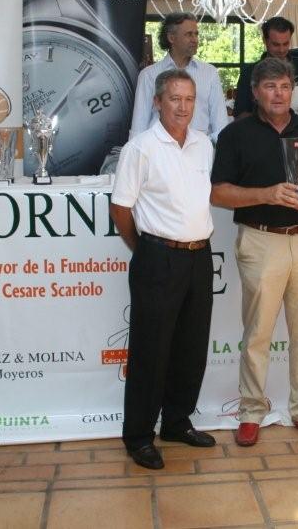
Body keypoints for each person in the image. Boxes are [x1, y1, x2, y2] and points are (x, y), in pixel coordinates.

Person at [211, 56, 298, 446]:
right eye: (270, 87)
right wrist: (266, 194)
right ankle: (252, 411)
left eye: (284, 87)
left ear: (292, 90)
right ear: (255, 93)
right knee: (257, 334)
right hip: (260, 239)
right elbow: (219, 193)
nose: (278, 94)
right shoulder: (235, 135)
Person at [110, 69, 217, 470]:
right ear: (157, 102)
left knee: (191, 347)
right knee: (151, 351)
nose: (182, 107)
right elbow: (120, 208)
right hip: (157, 257)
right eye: (174, 98)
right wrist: (145, 250)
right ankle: (139, 436)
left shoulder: (204, 145)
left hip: (199, 257)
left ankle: (176, 422)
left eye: (189, 99)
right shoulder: (140, 148)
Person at [130, 12, 229, 141]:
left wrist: (206, 148)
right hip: (158, 150)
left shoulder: (210, 73)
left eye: (196, 34)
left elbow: (220, 126)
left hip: (199, 149)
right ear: (171, 38)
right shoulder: (148, 75)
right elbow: (138, 128)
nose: (195, 39)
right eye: (189, 34)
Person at [234, 16, 298, 117]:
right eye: (276, 44)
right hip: (262, 126)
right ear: (265, 41)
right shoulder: (249, 72)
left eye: (286, 44)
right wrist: (265, 117)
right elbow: (239, 114)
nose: (281, 50)